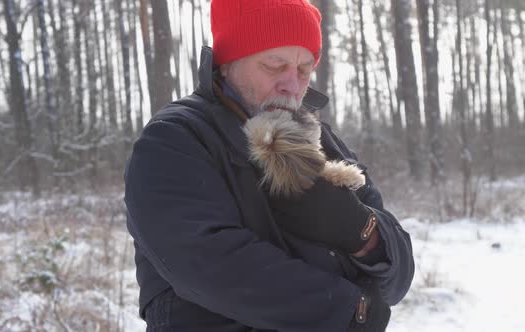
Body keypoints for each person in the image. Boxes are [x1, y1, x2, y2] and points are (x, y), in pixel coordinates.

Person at [124, 0, 415, 331]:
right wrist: (347, 310)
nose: (292, 85)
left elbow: (399, 277)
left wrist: (363, 233)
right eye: (274, 66)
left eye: (304, 69)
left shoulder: (322, 141)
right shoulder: (175, 139)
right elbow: (208, 265)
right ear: (229, 62)